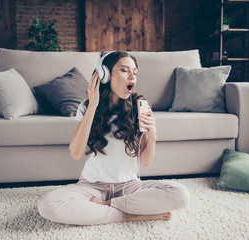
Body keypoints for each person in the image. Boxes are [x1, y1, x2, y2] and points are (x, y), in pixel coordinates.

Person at [38, 51, 190, 225]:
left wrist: (152, 135)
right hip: (92, 186)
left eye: (135, 72)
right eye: (124, 70)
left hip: (129, 186)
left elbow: (145, 162)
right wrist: (92, 106)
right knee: (48, 205)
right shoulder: (86, 107)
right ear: (106, 75)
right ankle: (128, 215)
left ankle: (107, 206)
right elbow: (76, 153)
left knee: (180, 194)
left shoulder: (140, 106)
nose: (132, 75)